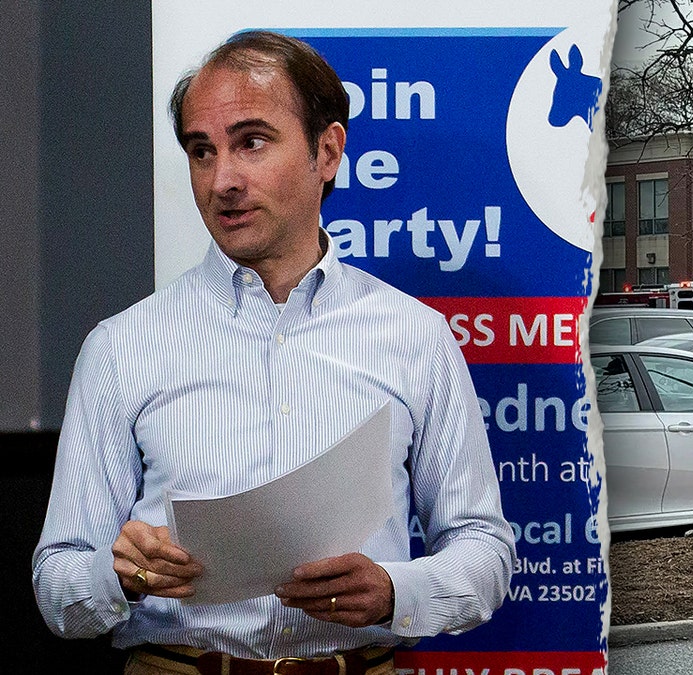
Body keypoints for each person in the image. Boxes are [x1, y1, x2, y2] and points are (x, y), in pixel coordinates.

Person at [33, 31, 516, 674]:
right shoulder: (121, 347)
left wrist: (398, 593)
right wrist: (115, 576)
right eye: (201, 151)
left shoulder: (416, 337)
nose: (222, 179)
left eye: (251, 142)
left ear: (328, 152)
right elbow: (57, 582)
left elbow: (484, 547)